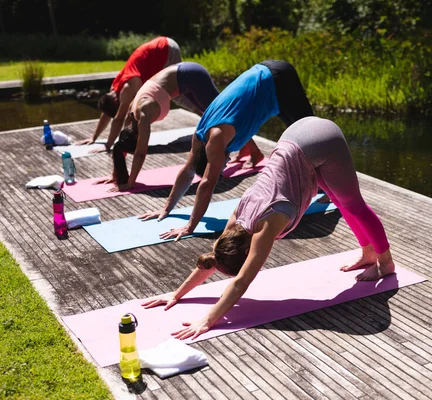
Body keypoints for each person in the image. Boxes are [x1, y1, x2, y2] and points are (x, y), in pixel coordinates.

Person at [141, 116, 395, 340]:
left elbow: (241, 283)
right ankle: (368, 254)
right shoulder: (236, 221)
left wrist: (206, 321)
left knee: (352, 203)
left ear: (248, 252)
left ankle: (385, 262)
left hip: (320, 139)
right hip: (296, 139)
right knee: (340, 202)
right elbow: (212, 260)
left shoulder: (266, 226)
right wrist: (176, 294)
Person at [139, 59, 316, 240]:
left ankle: (334, 192)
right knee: (305, 139)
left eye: (222, 165)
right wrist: (166, 208)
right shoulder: (200, 136)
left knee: (313, 137)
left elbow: (207, 184)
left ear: (212, 159)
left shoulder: (215, 138)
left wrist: (189, 226)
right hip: (266, 77)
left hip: (278, 79)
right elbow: (188, 170)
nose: (226, 164)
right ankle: (324, 186)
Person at [94, 61, 220, 192]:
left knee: (222, 112)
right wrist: (116, 175)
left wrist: (130, 184)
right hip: (182, 79)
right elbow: (121, 146)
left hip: (190, 74)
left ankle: (243, 153)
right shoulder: (130, 117)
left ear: (137, 137)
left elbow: (140, 154)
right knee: (209, 113)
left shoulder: (143, 116)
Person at [77, 36, 182, 150]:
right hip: (161, 44)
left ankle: (203, 115)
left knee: (180, 94)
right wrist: (94, 137)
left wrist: (108, 145)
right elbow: (106, 112)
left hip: (166, 49)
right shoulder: (114, 87)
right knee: (177, 93)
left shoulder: (127, 88)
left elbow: (119, 118)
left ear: (117, 101)